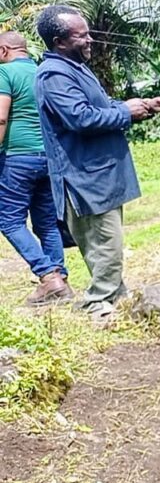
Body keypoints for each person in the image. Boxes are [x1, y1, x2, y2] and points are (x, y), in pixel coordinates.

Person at [35, 5, 160, 321]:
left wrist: (144, 105)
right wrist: (126, 113)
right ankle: (98, 304)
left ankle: (115, 295)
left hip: (100, 174)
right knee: (105, 244)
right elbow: (80, 118)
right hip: (84, 178)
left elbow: (99, 107)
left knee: (106, 243)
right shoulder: (54, 75)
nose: (90, 41)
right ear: (59, 41)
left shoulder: (76, 67)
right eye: (82, 35)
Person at [0, 31, 74, 306]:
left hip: (17, 158)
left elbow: (0, 117)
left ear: (4, 50)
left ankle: (48, 276)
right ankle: (60, 279)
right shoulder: (44, 71)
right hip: (49, 158)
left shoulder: (4, 74)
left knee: (8, 220)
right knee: (46, 222)